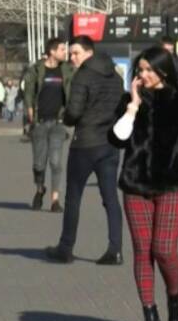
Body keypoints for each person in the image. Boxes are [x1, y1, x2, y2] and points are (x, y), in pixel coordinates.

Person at [111, 47, 178, 321]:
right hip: (135, 185)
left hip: (171, 185)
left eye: (149, 69)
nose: (144, 75)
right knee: (142, 250)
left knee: (163, 248)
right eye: (140, 70)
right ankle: (150, 313)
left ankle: (173, 297)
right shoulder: (129, 100)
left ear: (163, 70)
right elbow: (117, 139)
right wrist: (133, 106)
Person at [45, 35, 124, 265]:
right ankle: (115, 249)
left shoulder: (83, 75)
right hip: (110, 143)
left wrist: (66, 117)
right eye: (70, 53)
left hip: (86, 143)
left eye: (76, 53)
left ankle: (65, 248)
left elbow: (74, 111)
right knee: (110, 198)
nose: (72, 57)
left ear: (89, 53)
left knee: (74, 197)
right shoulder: (115, 76)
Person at [22, 37, 74, 212]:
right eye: (62, 49)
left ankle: (55, 200)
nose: (65, 53)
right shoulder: (36, 70)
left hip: (58, 122)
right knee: (39, 164)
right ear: (52, 51)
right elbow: (28, 91)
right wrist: (29, 109)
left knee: (56, 162)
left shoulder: (67, 70)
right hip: (39, 122)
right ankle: (40, 189)